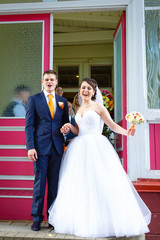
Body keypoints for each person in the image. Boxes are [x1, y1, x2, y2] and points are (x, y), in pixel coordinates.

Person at [48, 78, 151, 238]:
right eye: (83, 88)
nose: (85, 91)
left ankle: (104, 222)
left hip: (96, 147)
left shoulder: (99, 107)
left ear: (94, 91)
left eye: (89, 88)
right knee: (80, 184)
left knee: (100, 182)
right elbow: (78, 130)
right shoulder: (78, 107)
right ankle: (82, 221)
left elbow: (111, 125)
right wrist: (69, 127)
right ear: (80, 90)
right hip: (79, 148)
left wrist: (127, 132)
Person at [25, 70, 69, 231]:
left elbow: (66, 125)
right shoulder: (34, 99)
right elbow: (29, 125)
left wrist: (66, 131)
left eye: (52, 79)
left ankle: (53, 218)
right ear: (42, 82)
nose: (49, 82)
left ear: (56, 82)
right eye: (46, 80)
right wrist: (30, 147)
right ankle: (36, 219)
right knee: (40, 184)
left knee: (54, 186)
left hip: (57, 149)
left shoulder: (62, 101)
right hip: (39, 149)